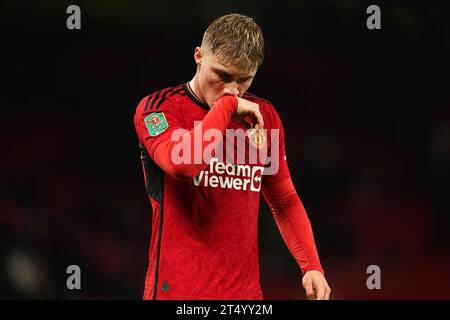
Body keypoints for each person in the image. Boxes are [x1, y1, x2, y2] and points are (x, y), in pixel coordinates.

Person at [133, 13, 331, 300]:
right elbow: (183, 164)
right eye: (222, 75)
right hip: (177, 294)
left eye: (243, 80)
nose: (231, 90)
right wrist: (227, 108)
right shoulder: (160, 109)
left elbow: (284, 201)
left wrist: (311, 265)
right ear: (198, 56)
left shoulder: (266, 117)